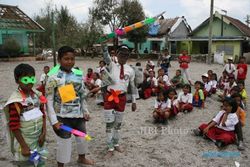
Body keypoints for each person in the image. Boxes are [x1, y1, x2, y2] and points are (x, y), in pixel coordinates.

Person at [46, 46, 94, 167]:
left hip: (78, 116)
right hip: (62, 117)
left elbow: (82, 95)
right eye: (66, 59)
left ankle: (82, 158)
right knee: (64, 142)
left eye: (72, 59)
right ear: (59, 59)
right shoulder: (53, 77)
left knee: (82, 138)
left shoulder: (78, 75)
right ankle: (61, 165)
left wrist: (85, 111)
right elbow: (49, 100)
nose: (69, 61)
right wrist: (54, 121)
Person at [3, 64, 47, 166]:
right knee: (26, 163)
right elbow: (14, 125)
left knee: (39, 162)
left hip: (38, 139)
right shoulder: (16, 101)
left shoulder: (37, 95)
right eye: (26, 79)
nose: (30, 82)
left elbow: (43, 114)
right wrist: (23, 146)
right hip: (25, 141)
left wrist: (44, 132)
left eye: (32, 78)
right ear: (17, 80)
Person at [102, 44, 137, 159]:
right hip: (109, 96)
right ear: (117, 54)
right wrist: (103, 45)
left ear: (128, 56)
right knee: (109, 124)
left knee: (118, 124)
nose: (123, 56)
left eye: (126, 55)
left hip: (121, 98)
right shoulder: (111, 64)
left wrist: (134, 101)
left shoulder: (130, 70)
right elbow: (106, 56)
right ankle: (110, 147)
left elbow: (132, 86)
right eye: (121, 54)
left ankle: (116, 143)